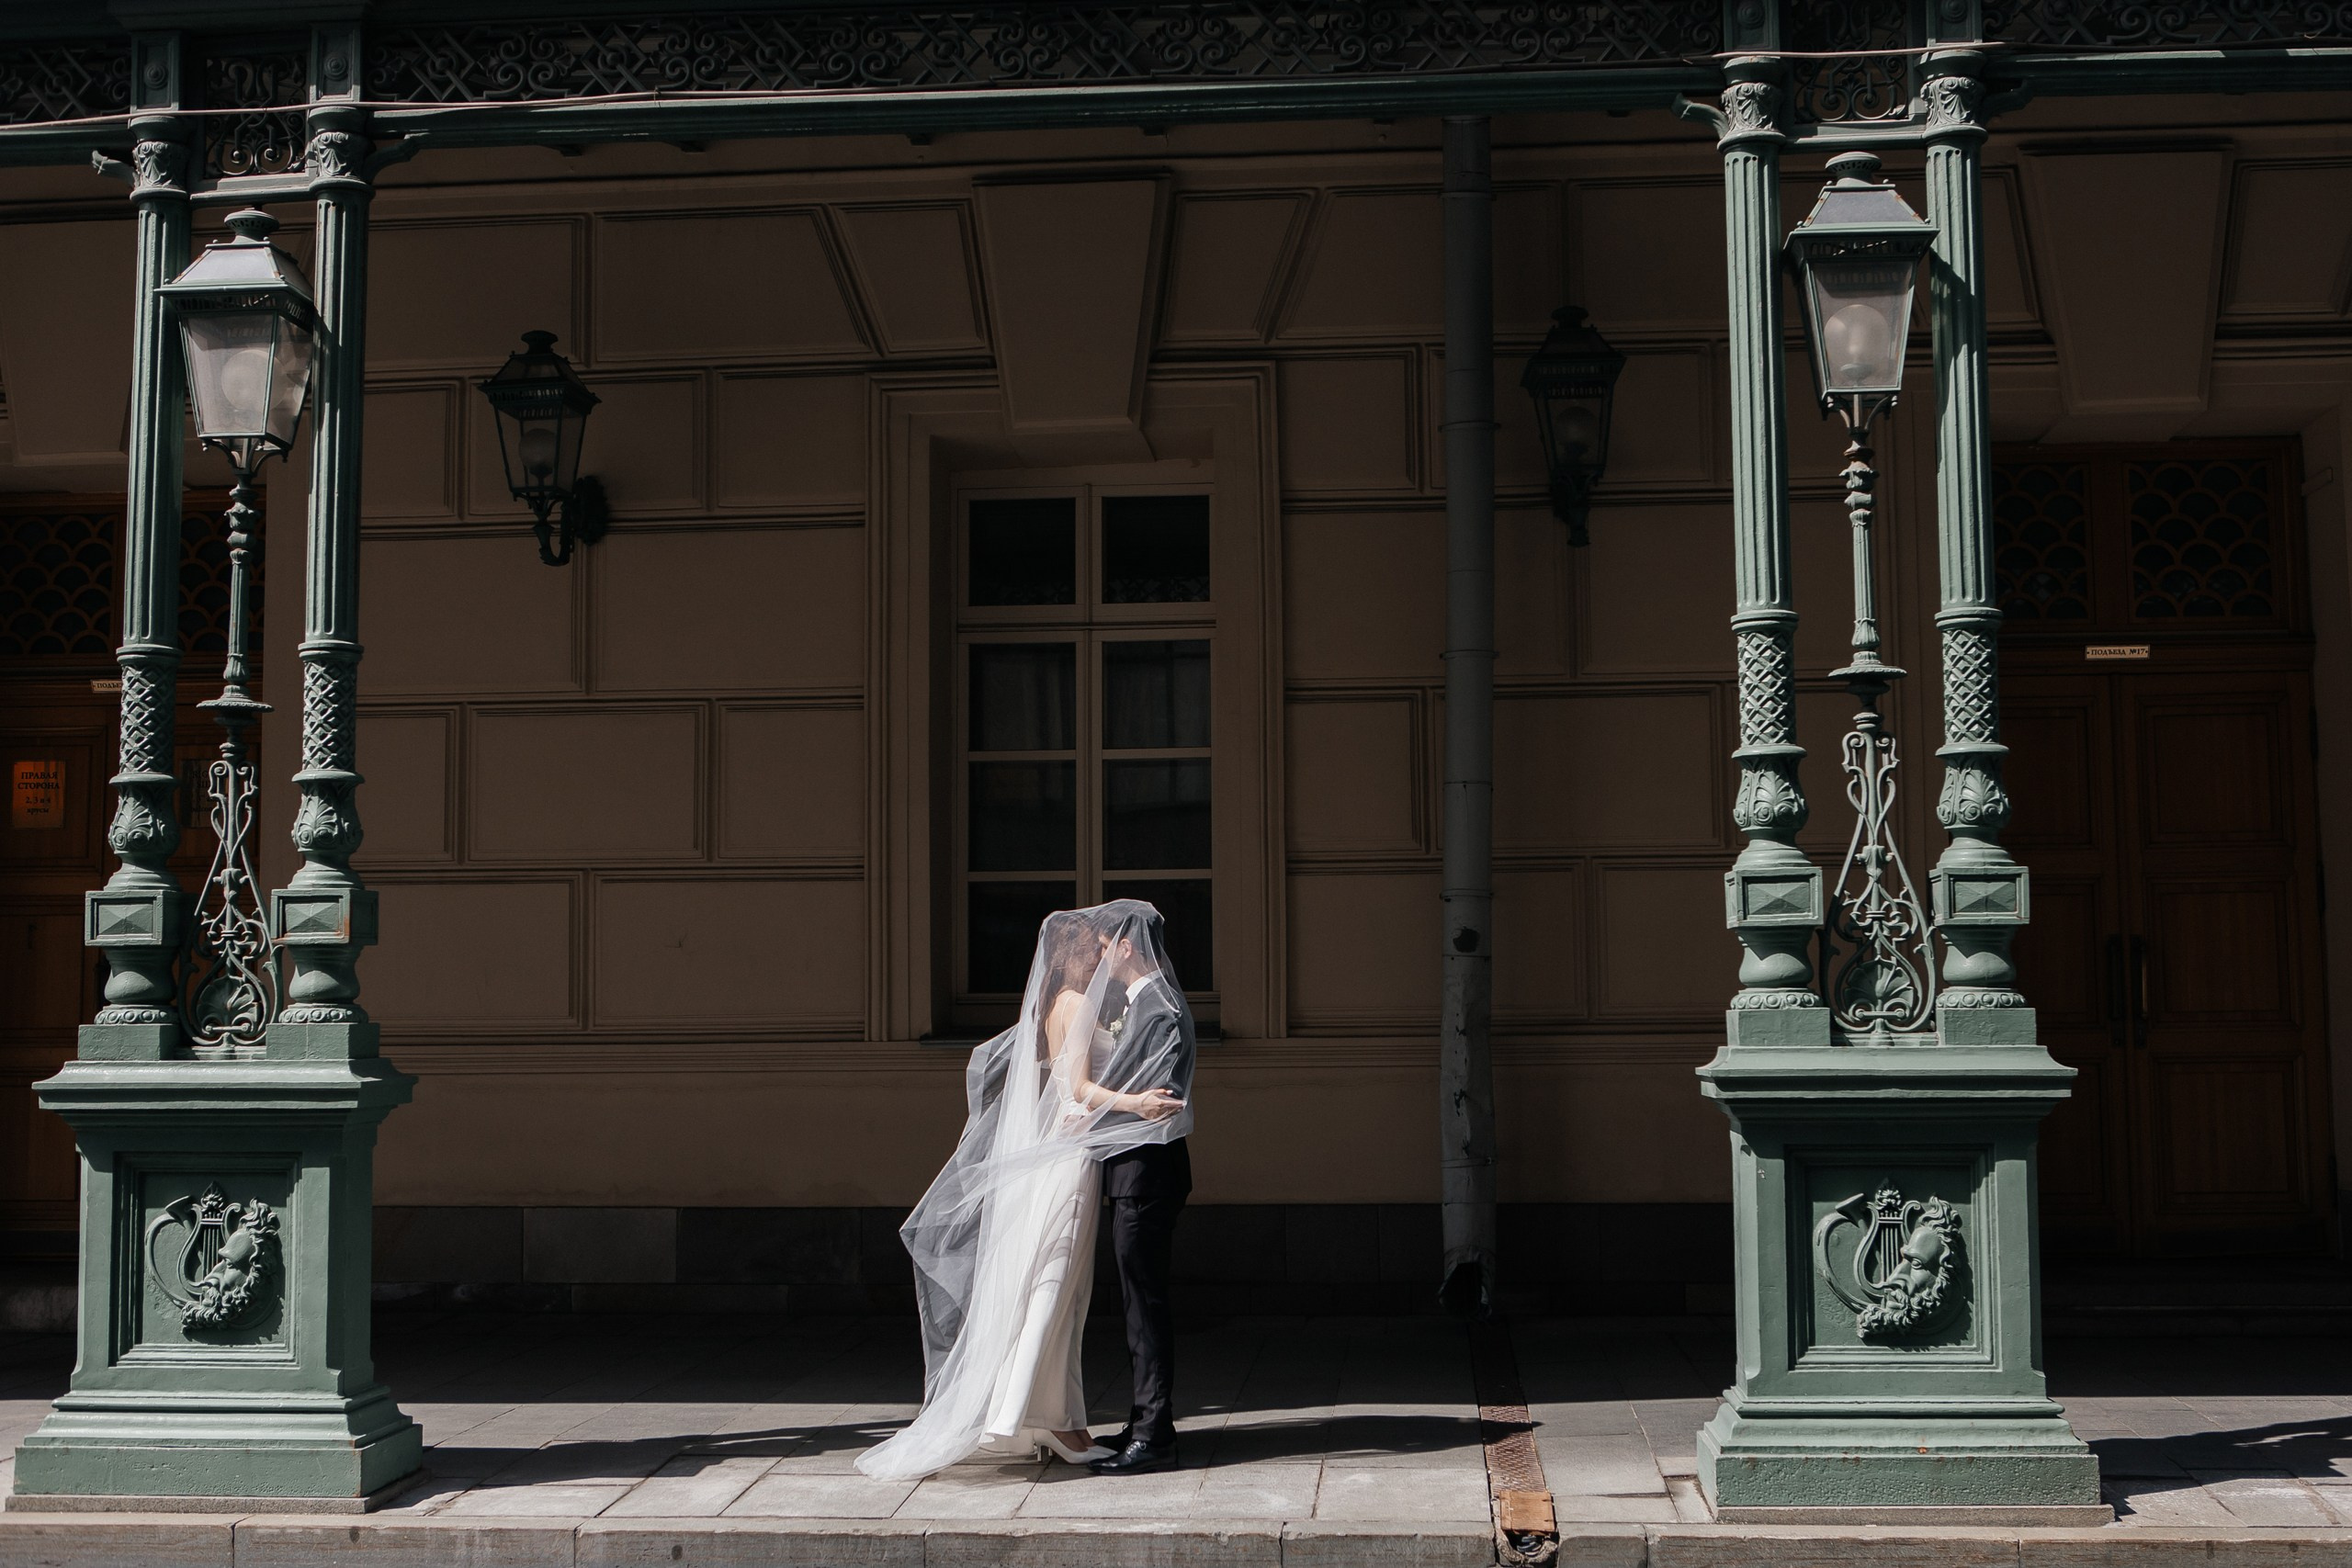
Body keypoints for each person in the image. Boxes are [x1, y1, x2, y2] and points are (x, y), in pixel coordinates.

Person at [857, 900, 1192, 1480]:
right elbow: (1083, 1086)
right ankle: (1034, 1416)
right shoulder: (1077, 1005)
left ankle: (1056, 1417)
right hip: (1076, 1165)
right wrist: (1130, 1103)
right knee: (1056, 1287)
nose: (1100, 956)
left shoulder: (1102, 1003)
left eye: (1104, 945)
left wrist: (1109, 1106)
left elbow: (1100, 1083)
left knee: (1061, 1289)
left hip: (1094, 1163)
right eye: (1093, 948)